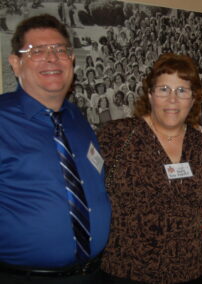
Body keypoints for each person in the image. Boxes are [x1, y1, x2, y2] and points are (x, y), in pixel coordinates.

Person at [0, 14, 111, 284]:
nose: (52, 57)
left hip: (92, 275)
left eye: (60, 49)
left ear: (71, 60)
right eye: (37, 51)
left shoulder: (76, 119)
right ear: (16, 63)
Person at [98, 53, 202, 283]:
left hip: (192, 271)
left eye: (182, 91)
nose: (172, 99)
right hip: (127, 271)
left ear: (193, 99)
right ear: (150, 95)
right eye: (164, 89)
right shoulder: (116, 136)